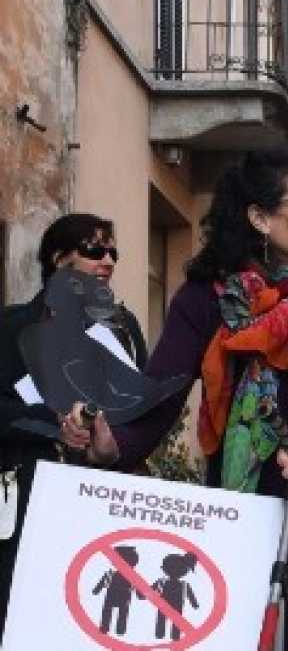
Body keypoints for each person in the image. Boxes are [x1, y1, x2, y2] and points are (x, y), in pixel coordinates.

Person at [64, 150, 288, 649]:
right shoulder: (206, 294)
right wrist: (111, 441)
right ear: (261, 217)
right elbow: (160, 390)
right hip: (236, 509)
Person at [0, 212, 145, 638]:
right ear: (60, 259)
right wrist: (52, 422)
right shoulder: (12, 326)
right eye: (94, 249)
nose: (108, 260)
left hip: (100, 494)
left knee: (87, 619)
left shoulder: (122, 326)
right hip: (27, 489)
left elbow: (145, 406)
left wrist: (118, 435)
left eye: (113, 251)